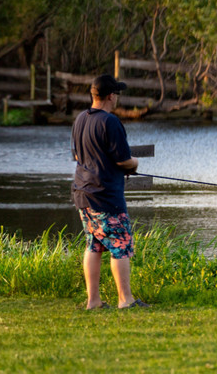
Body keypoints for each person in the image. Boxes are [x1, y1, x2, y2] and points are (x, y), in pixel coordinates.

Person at [71, 74, 147, 310]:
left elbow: (76, 155)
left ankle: (93, 301)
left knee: (93, 245)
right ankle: (125, 300)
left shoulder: (80, 119)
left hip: (83, 194)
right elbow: (124, 160)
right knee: (120, 245)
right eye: (117, 94)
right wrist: (135, 163)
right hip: (106, 196)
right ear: (111, 96)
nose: (117, 98)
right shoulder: (110, 122)